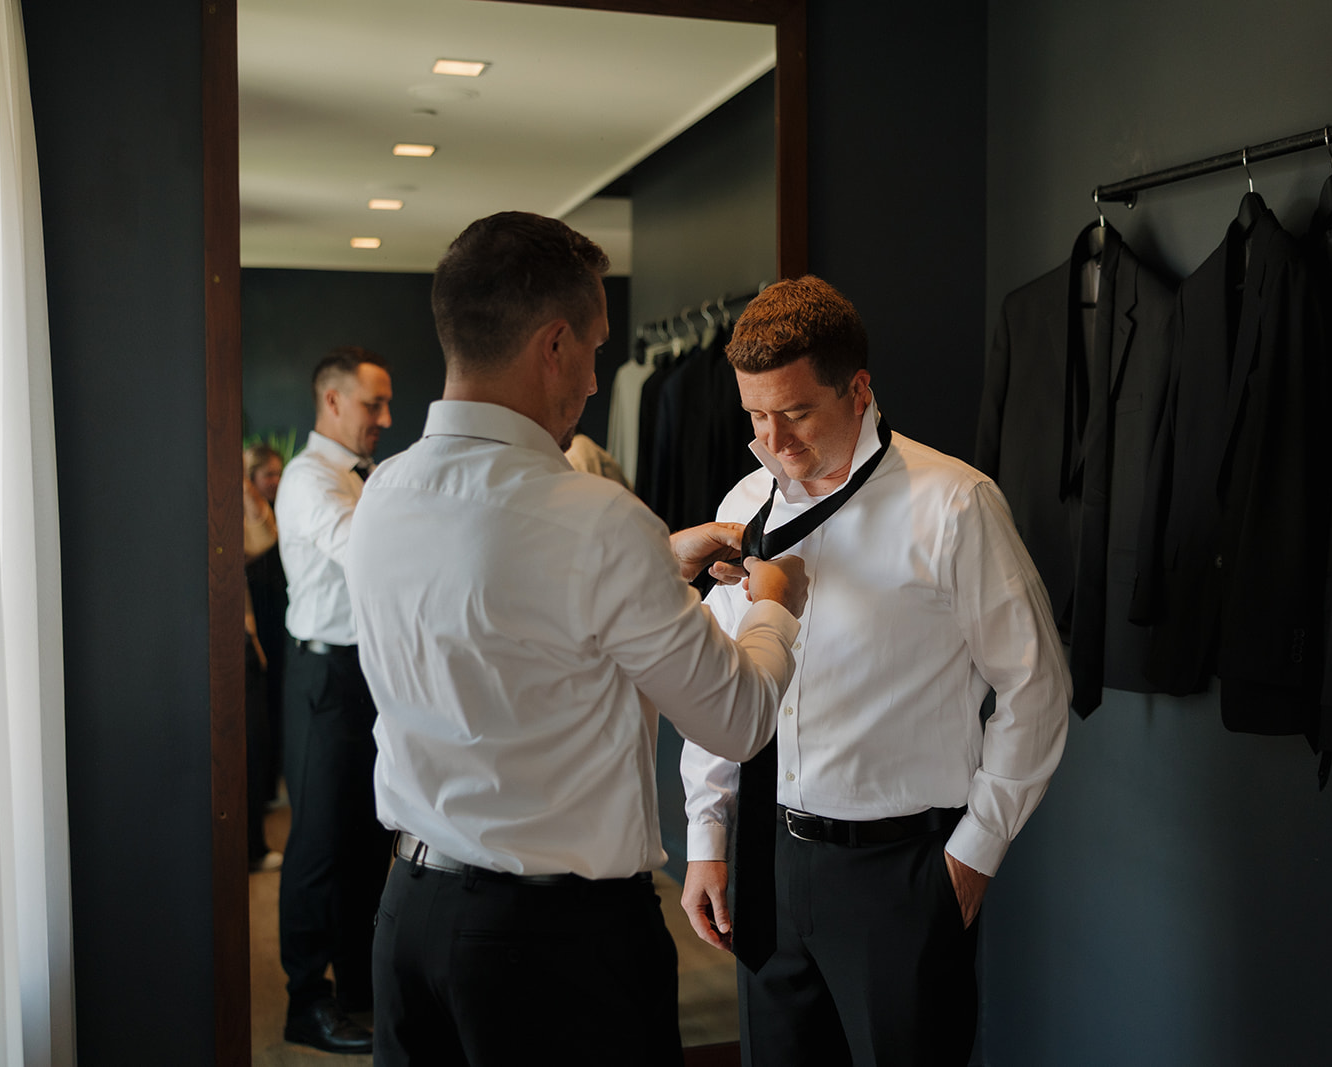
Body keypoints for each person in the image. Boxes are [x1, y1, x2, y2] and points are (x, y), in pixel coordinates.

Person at [344, 211, 809, 1066]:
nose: (597, 379)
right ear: (553, 345)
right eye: (595, 347)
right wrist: (778, 602)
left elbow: (499, 621)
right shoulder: (596, 520)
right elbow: (740, 719)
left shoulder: (384, 494)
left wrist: (657, 567)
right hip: (553, 949)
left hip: (409, 916)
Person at [679, 275, 1071, 1067]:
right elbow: (726, 681)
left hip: (902, 874)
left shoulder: (954, 504)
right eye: (756, 415)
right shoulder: (747, 502)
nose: (774, 442)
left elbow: (1036, 686)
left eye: (796, 413)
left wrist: (973, 854)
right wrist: (707, 835)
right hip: (771, 855)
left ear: (858, 389)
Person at [273, 347, 395, 1054]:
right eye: (372, 403)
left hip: (372, 677)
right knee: (318, 841)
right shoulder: (306, 479)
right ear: (332, 402)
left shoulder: (372, 476)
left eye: (385, 403)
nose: (385, 417)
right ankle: (304, 1000)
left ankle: (359, 987)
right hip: (324, 680)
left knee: (367, 837)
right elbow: (369, 553)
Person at [244, 443, 287, 809]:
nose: (275, 480)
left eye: (278, 472)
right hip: (258, 613)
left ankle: (274, 785)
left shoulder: (282, 509)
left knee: (277, 699)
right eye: (268, 474)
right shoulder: (251, 518)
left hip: (281, 612)